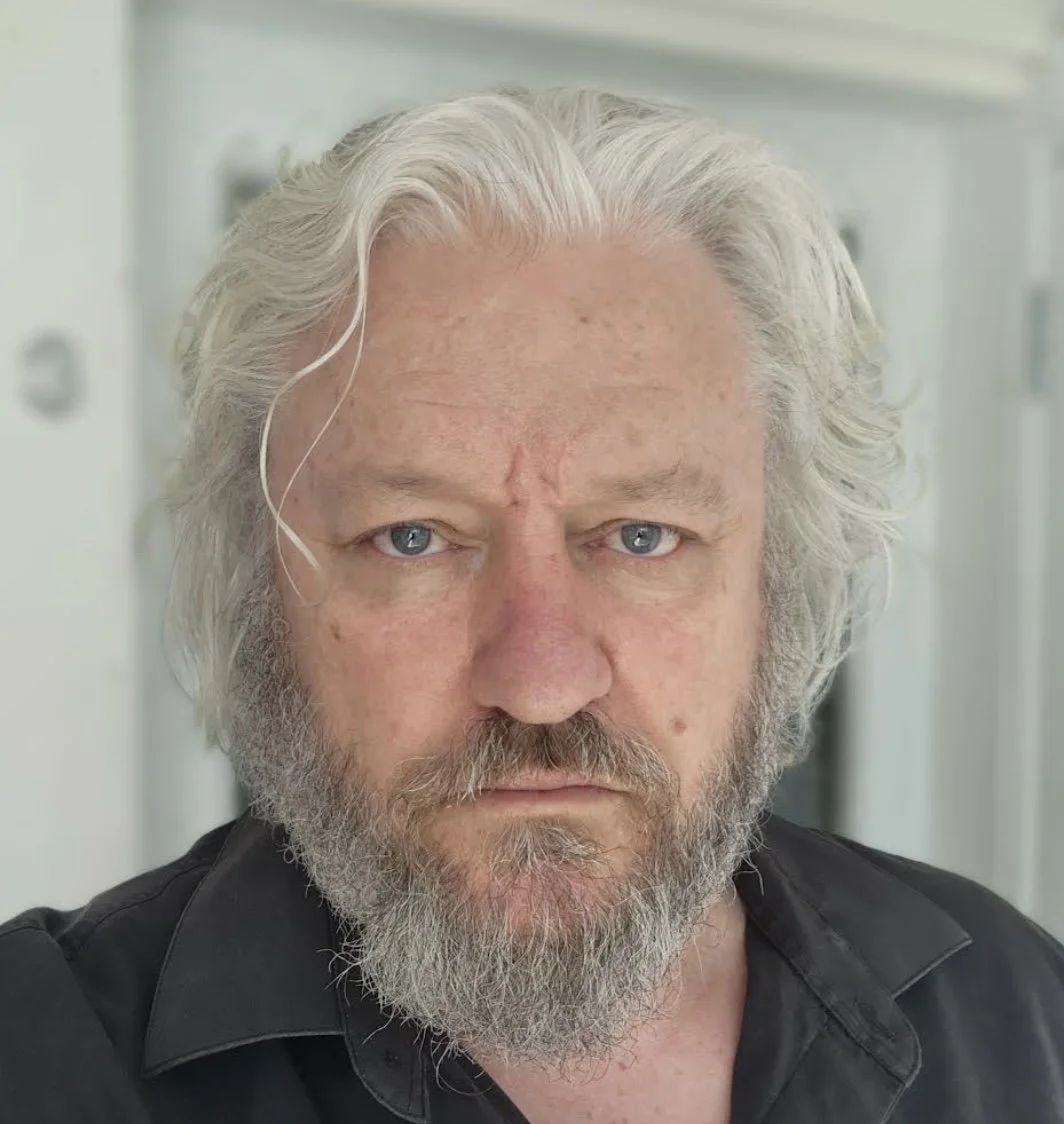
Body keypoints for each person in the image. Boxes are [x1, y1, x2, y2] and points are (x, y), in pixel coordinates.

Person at [1, 86, 1061, 1124]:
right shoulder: (39, 1055)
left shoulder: (1018, 1012)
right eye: (411, 536)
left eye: (643, 536)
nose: (542, 680)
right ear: (262, 590)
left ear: (776, 590)